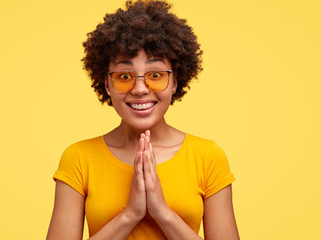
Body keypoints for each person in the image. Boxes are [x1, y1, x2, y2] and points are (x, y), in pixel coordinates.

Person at [46, 0, 240, 239]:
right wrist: (131, 214)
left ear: (175, 82)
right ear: (107, 84)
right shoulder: (78, 158)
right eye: (124, 76)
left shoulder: (208, 156)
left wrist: (162, 213)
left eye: (156, 75)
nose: (139, 89)